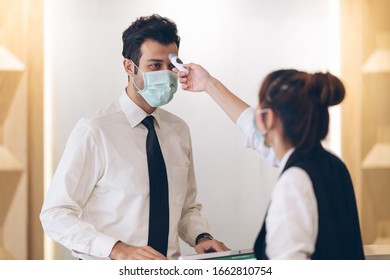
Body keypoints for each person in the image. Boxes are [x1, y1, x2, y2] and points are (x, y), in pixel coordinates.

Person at [40, 14, 229, 260]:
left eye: (171, 66)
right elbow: (55, 214)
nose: (167, 74)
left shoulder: (178, 130)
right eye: (154, 65)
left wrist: (201, 237)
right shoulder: (95, 131)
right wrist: (117, 249)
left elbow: (185, 207)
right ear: (129, 67)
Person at [176, 64, 365, 259]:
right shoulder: (332, 165)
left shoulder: (295, 181)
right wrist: (208, 83)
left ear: (270, 117)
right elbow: (251, 127)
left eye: (259, 107)